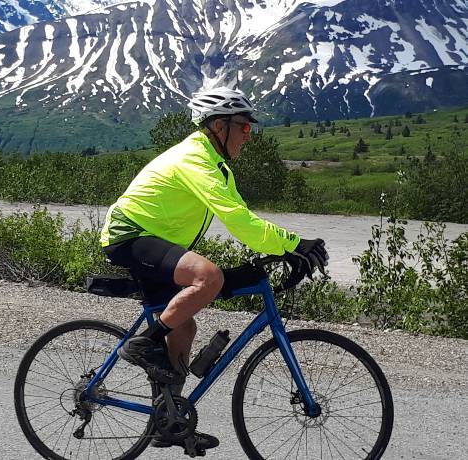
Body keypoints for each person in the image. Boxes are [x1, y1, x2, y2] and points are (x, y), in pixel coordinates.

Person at [99, 86, 328, 451]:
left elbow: (246, 219)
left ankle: (167, 420)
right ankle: (142, 344)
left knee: (185, 324)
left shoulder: (215, 164)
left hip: (151, 240)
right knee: (209, 276)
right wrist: (295, 244)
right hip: (129, 236)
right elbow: (240, 223)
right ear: (220, 126)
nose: (248, 135)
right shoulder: (196, 159)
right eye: (245, 127)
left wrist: (284, 251)